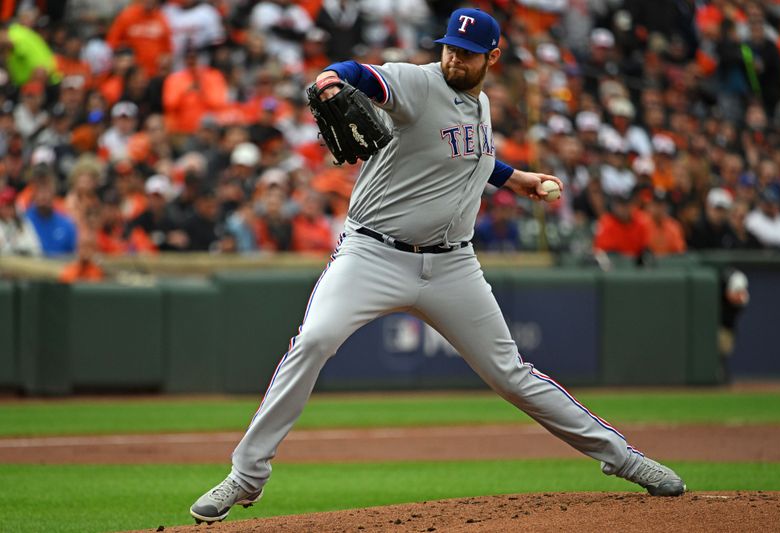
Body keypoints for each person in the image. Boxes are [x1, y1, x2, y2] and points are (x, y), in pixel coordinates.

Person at [189, 8, 685, 524]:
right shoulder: (418, 84)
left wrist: (517, 180)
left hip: (453, 267)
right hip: (372, 255)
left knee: (513, 375)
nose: (454, 58)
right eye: (449, 47)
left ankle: (624, 459)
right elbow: (363, 74)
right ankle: (246, 475)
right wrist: (332, 77)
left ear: (492, 57)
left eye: (467, 53)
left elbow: (472, 154)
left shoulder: (480, 104)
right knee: (313, 341)